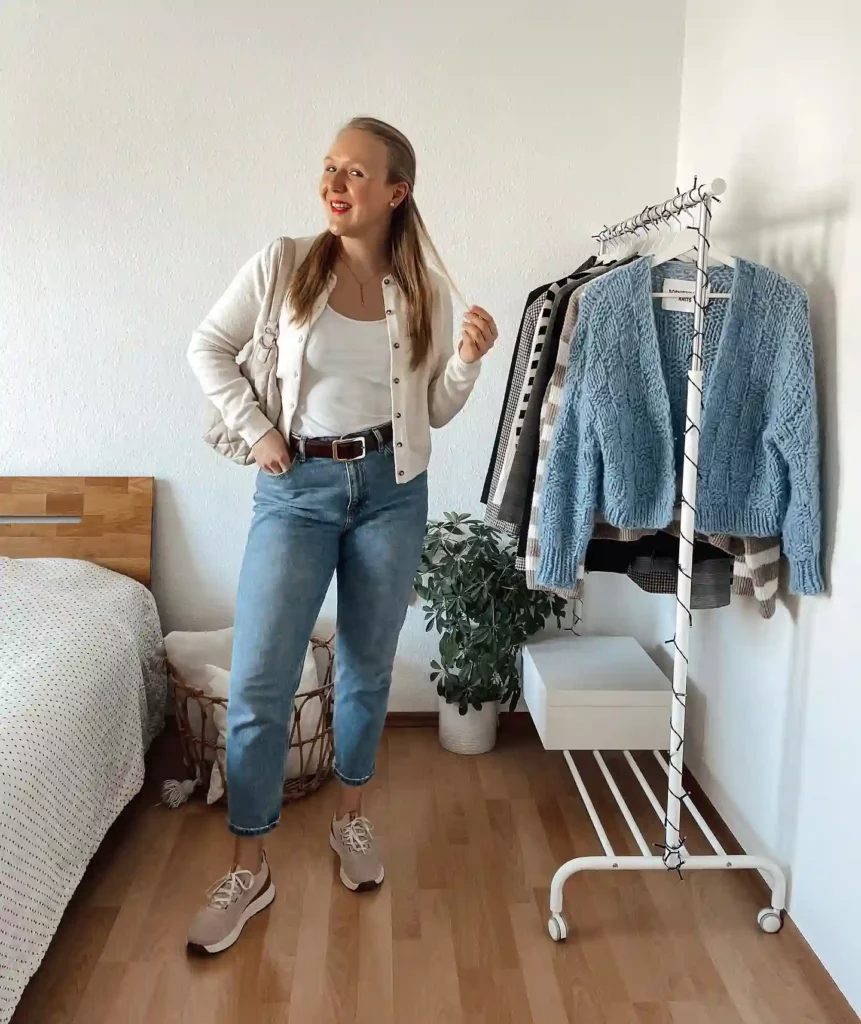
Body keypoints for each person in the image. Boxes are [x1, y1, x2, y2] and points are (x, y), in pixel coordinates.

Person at [185, 116, 497, 954]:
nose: (335, 183)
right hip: (296, 489)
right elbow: (206, 347)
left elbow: (429, 408)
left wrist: (465, 361)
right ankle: (250, 867)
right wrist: (257, 432)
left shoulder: (421, 288)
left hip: (394, 490)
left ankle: (350, 820)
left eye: (356, 173)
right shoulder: (283, 262)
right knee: (258, 681)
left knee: (364, 667)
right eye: (329, 167)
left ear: (395, 191)